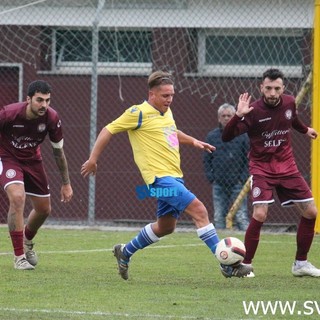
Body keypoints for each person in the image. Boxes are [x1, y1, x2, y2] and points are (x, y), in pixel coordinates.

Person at [81, 70, 253, 280]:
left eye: (171, 95)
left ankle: (125, 252)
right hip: (159, 180)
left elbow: (171, 132)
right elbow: (108, 130)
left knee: (165, 227)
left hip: (174, 177)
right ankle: (228, 266)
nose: (169, 99)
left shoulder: (166, 112)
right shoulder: (138, 113)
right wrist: (93, 159)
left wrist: (193, 141)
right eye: (165, 96)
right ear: (152, 94)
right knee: (199, 210)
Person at [222, 68, 320, 277]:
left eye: (277, 88)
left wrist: (305, 130)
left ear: (283, 88)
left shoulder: (289, 102)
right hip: (262, 169)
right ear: (261, 88)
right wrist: (238, 115)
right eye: (268, 88)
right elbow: (226, 136)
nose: (273, 93)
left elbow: (292, 120)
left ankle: (300, 264)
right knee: (260, 214)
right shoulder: (253, 111)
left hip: (287, 167)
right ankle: (245, 265)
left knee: (311, 212)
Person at [0, 80, 73, 270]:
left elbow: (58, 152)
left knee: (44, 209)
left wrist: (66, 183)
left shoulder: (51, 118)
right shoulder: (9, 114)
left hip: (33, 160)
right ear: (28, 99)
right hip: (7, 157)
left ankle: (27, 240)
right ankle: (19, 257)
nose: (44, 105)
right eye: (39, 100)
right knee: (17, 197)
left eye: (47, 100)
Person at [203, 103, 250, 231]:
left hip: (238, 183)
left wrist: (243, 178)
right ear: (219, 118)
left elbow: (248, 159)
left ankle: (247, 241)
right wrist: (211, 177)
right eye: (223, 116)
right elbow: (207, 159)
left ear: (234, 116)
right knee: (219, 216)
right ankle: (220, 245)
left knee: (241, 216)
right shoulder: (212, 137)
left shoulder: (242, 136)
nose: (226, 118)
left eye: (229, 115)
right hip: (219, 183)